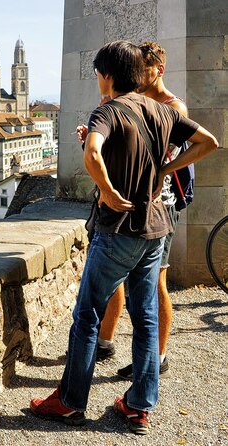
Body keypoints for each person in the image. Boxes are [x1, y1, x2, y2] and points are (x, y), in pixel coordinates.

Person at [29, 40, 218, 435]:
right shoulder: (160, 111)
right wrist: (167, 170)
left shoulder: (109, 109)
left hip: (118, 230)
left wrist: (110, 192)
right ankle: (137, 406)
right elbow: (208, 143)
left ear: (108, 76)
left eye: (99, 73)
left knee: (87, 315)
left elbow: (94, 154)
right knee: (146, 317)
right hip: (156, 226)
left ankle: (69, 401)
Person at [95, 41, 188, 378]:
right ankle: (105, 341)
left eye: (144, 68)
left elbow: (160, 158)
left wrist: (164, 170)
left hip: (159, 205)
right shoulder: (130, 100)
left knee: (154, 283)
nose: (137, 73)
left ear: (158, 70)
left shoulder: (173, 106)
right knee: (118, 279)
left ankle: (158, 357)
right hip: (126, 202)